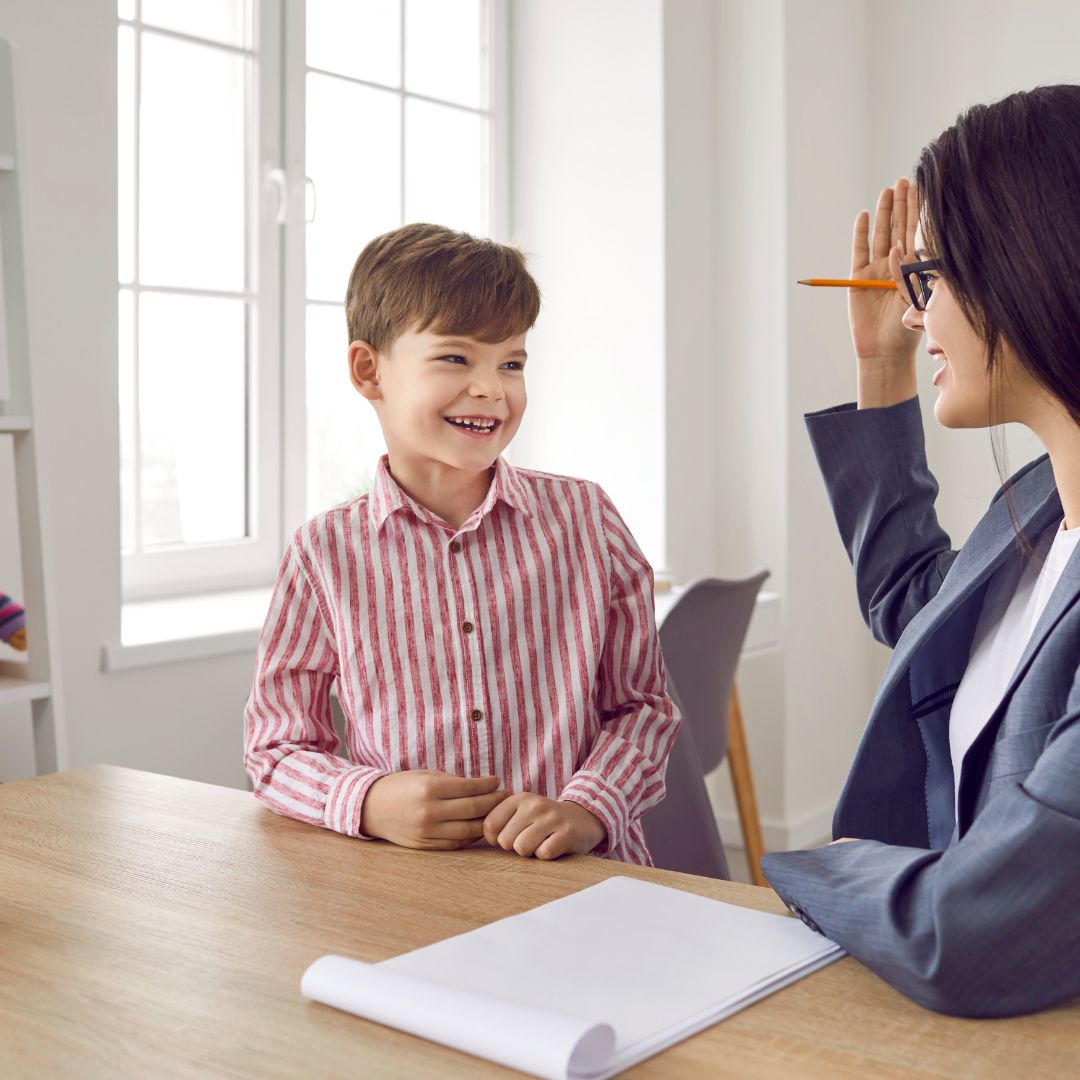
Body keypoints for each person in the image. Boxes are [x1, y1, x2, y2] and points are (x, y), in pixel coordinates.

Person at [761, 85, 1080, 1017]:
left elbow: (971, 933)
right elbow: (917, 602)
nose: (911, 315)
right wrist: (880, 371)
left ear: (1026, 261)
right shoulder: (1042, 500)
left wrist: (829, 865)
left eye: (928, 279)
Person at [244, 223, 679, 866]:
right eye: (456, 358)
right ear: (369, 370)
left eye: (511, 363)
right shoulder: (323, 552)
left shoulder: (588, 521)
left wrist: (588, 808)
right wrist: (368, 800)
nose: (492, 388)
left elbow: (643, 709)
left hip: (582, 881)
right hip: (410, 891)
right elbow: (276, 750)